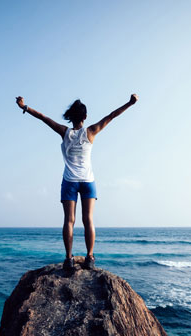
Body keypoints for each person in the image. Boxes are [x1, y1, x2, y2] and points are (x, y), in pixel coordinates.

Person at [15, 94, 138, 270]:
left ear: (70, 117)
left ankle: (68, 258)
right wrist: (130, 103)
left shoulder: (64, 132)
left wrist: (24, 107)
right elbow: (111, 115)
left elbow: (43, 118)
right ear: (85, 117)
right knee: (88, 219)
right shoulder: (91, 131)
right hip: (88, 181)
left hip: (69, 181)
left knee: (69, 220)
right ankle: (90, 257)